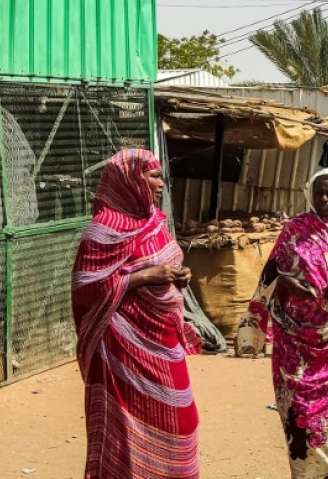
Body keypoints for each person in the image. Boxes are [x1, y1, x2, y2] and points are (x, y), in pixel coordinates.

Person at [238, 169, 328, 479]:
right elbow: (272, 273)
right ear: (309, 195)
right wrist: (287, 283)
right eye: (319, 193)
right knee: (299, 415)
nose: (325, 198)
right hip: (294, 343)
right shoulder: (294, 229)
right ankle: (304, 475)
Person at [71, 149, 202, 479]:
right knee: (126, 432)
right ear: (130, 180)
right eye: (153, 176)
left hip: (164, 341)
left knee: (182, 420)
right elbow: (87, 288)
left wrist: (179, 276)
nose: (161, 184)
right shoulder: (102, 231)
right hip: (123, 351)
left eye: (160, 175)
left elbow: (168, 261)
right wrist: (144, 277)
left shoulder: (154, 221)